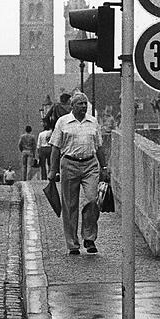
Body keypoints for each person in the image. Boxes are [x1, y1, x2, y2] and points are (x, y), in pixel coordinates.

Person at [48, 92, 108, 255]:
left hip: (90, 164)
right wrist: (53, 170)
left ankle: (89, 238)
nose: (84, 106)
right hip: (69, 164)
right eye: (80, 103)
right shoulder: (63, 122)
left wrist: (104, 168)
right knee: (70, 205)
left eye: (85, 103)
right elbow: (55, 147)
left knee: (92, 200)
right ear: (72, 106)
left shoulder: (93, 122)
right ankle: (73, 243)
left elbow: (99, 146)